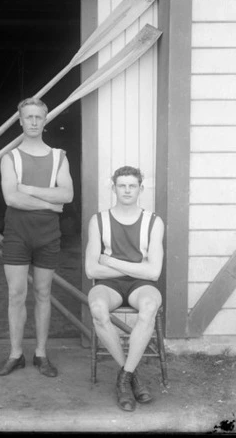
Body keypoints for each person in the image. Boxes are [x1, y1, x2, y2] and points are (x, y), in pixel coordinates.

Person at [0, 97, 74, 378]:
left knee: (43, 293)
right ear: (20, 120)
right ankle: (15, 354)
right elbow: (11, 199)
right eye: (29, 117)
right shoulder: (10, 157)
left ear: (45, 120)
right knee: (16, 294)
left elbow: (67, 194)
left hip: (48, 235)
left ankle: (41, 353)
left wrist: (28, 188)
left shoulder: (58, 157)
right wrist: (50, 204)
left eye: (39, 117)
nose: (34, 122)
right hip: (17, 233)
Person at [85, 166, 165, 412]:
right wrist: (134, 267)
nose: (127, 190)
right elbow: (91, 270)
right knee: (98, 308)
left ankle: (124, 378)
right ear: (114, 188)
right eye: (122, 185)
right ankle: (133, 376)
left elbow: (153, 273)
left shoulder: (154, 221)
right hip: (108, 284)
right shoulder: (99, 220)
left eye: (132, 186)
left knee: (150, 306)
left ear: (140, 189)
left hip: (142, 285)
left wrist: (110, 261)